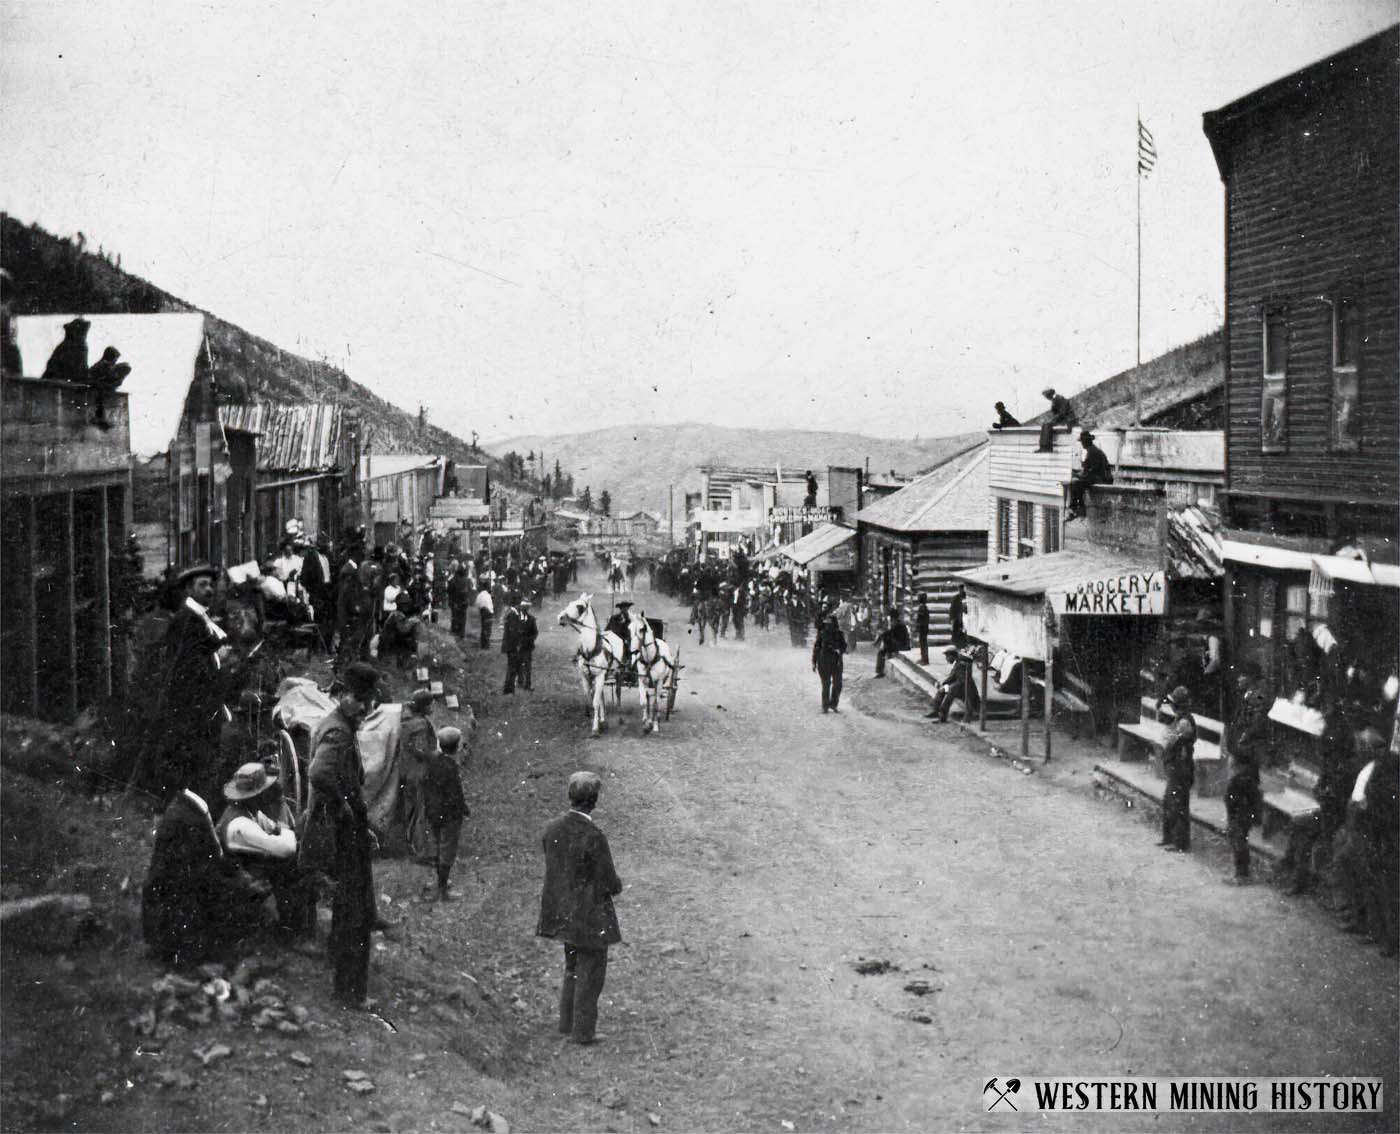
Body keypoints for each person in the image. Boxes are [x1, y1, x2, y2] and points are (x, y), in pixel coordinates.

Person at [304, 662, 380, 1008]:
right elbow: (320, 774)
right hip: (343, 832)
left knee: (348, 907)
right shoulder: (338, 732)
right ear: (342, 695)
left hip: (344, 829)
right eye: (358, 699)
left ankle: (340, 968)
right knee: (356, 911)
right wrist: (345, 808)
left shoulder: (336, 724)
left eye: (368, 701)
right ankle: (350, 993)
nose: (364, 707)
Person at [537, 771, 623, 1046]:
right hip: (589, 916)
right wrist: (616, 885)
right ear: (594, 802)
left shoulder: (552, 828)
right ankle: (583, 1031)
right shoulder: (594, 836)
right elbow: (608, 881)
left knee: (571, 966)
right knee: (592, 971)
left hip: (562, 912)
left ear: (570, 797)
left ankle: (566, 1022)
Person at [142, 784, 269, 967]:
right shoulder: (192, 818)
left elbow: (212, 858)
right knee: (239, 898)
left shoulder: (186, 807)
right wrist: (245, 886)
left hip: (165, 908)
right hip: (176, 917)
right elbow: (207, 873)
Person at [155, 563, 234, 803]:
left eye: (211, 585)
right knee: (195, 756)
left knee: (205, 755)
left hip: (203, 702)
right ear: (189, 589)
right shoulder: (187, 620)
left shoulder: (200, 616)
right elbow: (187, 666)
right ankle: (192, 806)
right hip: (192, 704)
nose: (209, 589)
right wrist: (216, 658)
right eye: (203, 585)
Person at [216, 762, 315, 941]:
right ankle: (290, 929)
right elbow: (287, 848)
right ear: (256, 795)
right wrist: (288, 832)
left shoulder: (249, 811)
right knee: (291, 865)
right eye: (264, 791)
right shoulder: (241, 824)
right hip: (237, 877)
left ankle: (295, 921)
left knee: (289, 859)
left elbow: (271, 825)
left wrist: (281, 830)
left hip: (244, 866)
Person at [1223, 663, 1270, 884]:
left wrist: (1241, 743)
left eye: (1242, 675)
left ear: (1251, 678)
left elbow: (1255, 727)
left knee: (1238, 822)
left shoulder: (1258, 698)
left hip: (1246, 765)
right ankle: (1240, 871)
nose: (1239, 679)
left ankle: (1242, 874)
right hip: (1241, 761)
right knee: (1236, 820)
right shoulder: (1247, 696)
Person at [423, 726, 468, 901]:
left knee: (438, 846)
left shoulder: (433, 761)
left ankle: (440, 881)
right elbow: (454, 794)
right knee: (448, 849)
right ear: (457, 747)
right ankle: (442, 889)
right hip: (449, 815)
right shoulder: (450, 767)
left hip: (434, 812)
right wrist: (462, 808)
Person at [396, 689, 437, 861]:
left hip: (406, 770)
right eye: (430, 703)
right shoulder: (420, 725)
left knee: (410, 811)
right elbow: (421, 749)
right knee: (421, 812)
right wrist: (436, 756)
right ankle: (423, 852)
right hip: (420, 771)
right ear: (425, 706)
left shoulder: (406, 722)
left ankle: (412, 847)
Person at [1157, 686, 1197, 853]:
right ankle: (1169, 837)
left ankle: (1180, 842)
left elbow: (1170, 741)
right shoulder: (1179, 718)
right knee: (1169, 801)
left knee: (1178, 804)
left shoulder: (1184, 721)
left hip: (1181, 766)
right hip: (1176, 765)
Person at [1067, 430, 1114, 518]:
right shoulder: (1092, 450)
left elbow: (1093, 470)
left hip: (1102, 479)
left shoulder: (1093, 451)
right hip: (1098, 477)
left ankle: (1076, 509)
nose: (1082, 444)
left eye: (1083, 442)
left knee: (1075, 484)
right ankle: (1079, 508)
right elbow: (1088, 468)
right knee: (1077, 484)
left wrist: (1080, 476)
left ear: (1086, 442)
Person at [927, 647, 981, 723]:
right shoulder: (958, 662)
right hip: (959, 688)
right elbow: (952, 676)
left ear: (952, 656)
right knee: (941, 690)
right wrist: (943, 684)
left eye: (947, 657)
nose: (946, 659)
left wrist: (949, 687)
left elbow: (962, 681)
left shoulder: (962, 664)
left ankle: (942, 717)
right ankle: (935, 711)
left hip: (966, 690)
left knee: (949, 693)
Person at [811, 612, 847, 714]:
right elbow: (817, 647)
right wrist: (814, 662)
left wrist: (840, 650)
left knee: (838, 684)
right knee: (826, 683)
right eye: (826, 623)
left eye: (830, 622)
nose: (828, 625)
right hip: (824, 661)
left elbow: (844, 646)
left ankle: (833, 704)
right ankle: (825, 706)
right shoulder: (822, 633)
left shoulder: (839, 634)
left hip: (837, 662)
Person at [874, 606, 911, 678]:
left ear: (893, 618)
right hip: (901, 644)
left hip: (902, 645)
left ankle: (880, 671)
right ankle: (880, 670)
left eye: (891, 618)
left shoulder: (898, 624)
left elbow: (890, 633)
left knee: (883, 649)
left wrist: (881, 636)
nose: (891, 620)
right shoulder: (898, 623)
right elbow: (890, 632)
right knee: (884, 646)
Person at [517, 597, 540, 691]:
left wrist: (529, 640)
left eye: (527, 608)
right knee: (518, 664)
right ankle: (519, 682)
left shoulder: (531, 619)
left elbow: (535, 632)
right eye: (523, 607)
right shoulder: (516, 618)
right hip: (518, 646)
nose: (525, 609)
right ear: (520, 608)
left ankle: (528, 684)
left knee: (527, 665)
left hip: (527, 646)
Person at [447, 560, 472, 639]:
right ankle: (462, 633)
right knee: (463, 616)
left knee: (455, 616)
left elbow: (449, 590)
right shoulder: (467, 580)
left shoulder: (454, 579)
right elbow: (471, 589)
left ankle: (455, 631)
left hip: (456, 601)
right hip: (464, 601)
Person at [475, 582, 495, 649]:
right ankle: (486, 645)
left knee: (484, 628)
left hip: (482, 612)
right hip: (488, 612)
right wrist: (492, 612)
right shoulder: (488, 595)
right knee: (488, 629)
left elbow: (477, 604)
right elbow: (490, 605)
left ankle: (483, 644)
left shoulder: (479, 595)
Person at [915, 594, 930, 665]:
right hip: (924, 627)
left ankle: (925, 660)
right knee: (923, 643)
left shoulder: (922, 607)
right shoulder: (924, 607)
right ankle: (923, 658)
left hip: (922, 627)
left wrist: (917, 627)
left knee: (923, 644)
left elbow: (920, 618)